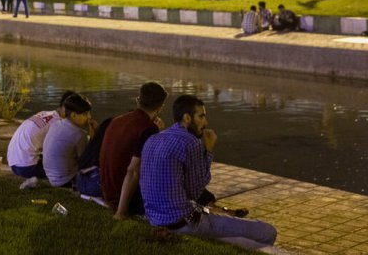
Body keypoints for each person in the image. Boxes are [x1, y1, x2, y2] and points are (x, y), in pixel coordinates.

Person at [140, 95, 277, 250]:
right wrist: (209, 150)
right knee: (267, 231)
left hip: (155, 219)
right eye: (202, 116)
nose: (206, 123)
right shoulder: (190, 142)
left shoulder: (153, 139)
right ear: (187, 118)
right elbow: (195, 192)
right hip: (182, 222)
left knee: (219, 216)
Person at [101, 82, 168, 220]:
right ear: (160, 107)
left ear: (137, 100)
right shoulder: (148, 128)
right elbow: (134, 171)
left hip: (106, 191)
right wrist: (121, 212)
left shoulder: (117, 120)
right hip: (126, 198)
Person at [7, 91, 74, 189]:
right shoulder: (58, 124)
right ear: (65, 108)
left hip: (14, 164)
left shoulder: (44, 114)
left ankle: (32, 177)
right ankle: (33, 177)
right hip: (26, 166)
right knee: (66, 171)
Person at [42, 93, 95, 188]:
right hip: (66, 180)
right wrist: (94, 137)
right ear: (74, 115)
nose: (89, 117)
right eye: (85, 114)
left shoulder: (56, 124)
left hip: (51, 177)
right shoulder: (79, 134)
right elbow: (86, 161)